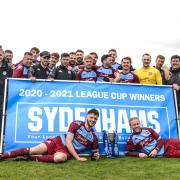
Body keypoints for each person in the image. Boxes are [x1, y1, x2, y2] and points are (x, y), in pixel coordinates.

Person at [0, 108, 100, 162]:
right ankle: (3, 156)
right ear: (87, 116)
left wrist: (96, 155)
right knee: (32, 150)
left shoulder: (94, 137)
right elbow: (69, 142)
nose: (93, 120)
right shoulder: (76, 124)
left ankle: (30, 158)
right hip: (57, 142)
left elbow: (95, 152)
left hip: (65, 152)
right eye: (91, 117)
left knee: (60, 158)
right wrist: (78, 158)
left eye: (95, 119)